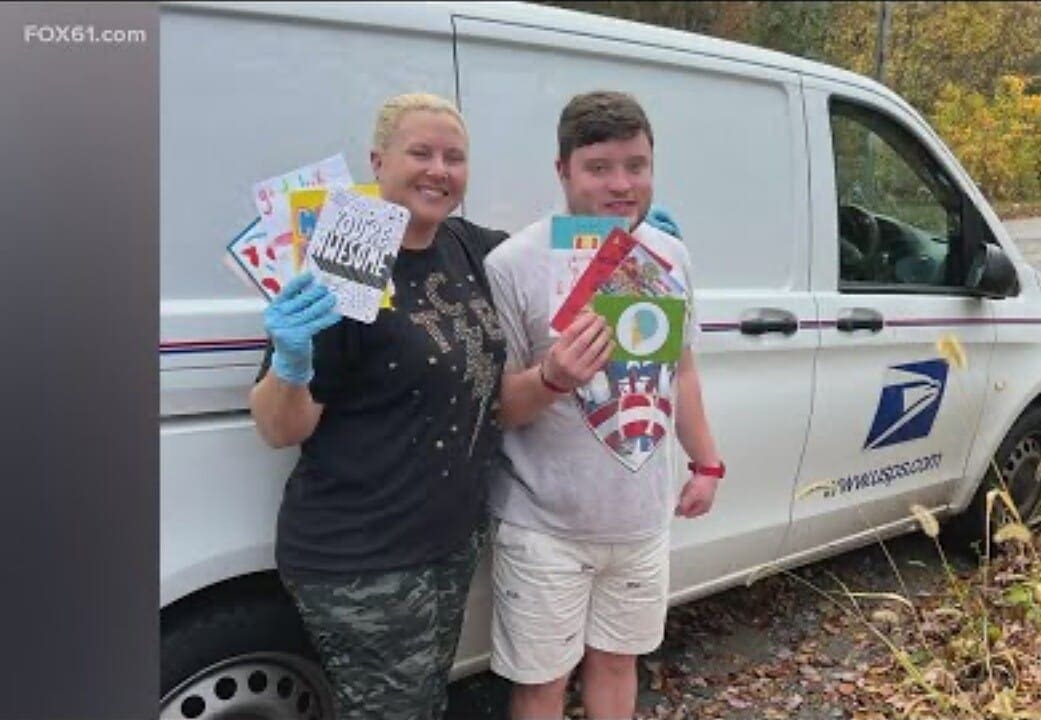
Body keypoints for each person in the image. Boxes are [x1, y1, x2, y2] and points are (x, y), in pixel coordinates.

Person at [248, 91, 684, 720]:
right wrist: (291, 364)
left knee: (425, 700)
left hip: (446, 541)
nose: (439, 170)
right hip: (362, 552)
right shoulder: (349, 254)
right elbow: (280, 428)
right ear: (378, 160)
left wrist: (632, 244)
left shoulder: (467, 247)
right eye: (420, 153)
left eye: (454, 157)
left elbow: (555, 252)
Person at [483, 90, 725, 720]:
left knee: (618, 665)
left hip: (640, 521)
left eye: (636, 166)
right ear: (562, 170)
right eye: (599, 168)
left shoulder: (670, 255)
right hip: (544, 527)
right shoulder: (512, 264)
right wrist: (553, 377)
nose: (622, 185)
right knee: (541, 685)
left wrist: (706, 462)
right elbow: (497, 409)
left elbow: (681, 371)